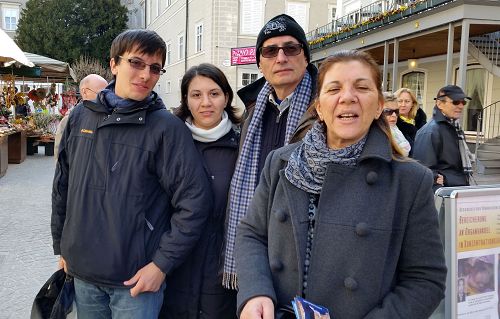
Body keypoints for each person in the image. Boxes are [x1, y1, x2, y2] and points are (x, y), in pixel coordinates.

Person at [235, 50, 447, 319]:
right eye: (334, 88)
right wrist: (255, 292)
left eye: (361, 87)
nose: (347, 97)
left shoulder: (410, 181)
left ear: (379, 105)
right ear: (320, 108)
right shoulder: (281, 162)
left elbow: (425, 279)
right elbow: (251, 233)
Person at [51, 29, 212, 319]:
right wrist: (62, 246)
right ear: (113, 64)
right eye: (136, 63)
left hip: (135, 284)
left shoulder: (166, 128)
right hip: (84, 275)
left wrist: (161, 265)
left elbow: (195, 202)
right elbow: (62, 186)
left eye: (154, 68)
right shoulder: (80, 116)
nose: (146, 75)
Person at [223, 13, 318, 290]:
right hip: (256, 239)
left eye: (291, 48)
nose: (281, 57)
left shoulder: (328, 107)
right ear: (260, 63)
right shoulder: (252, 111)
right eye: (270, 50)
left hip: (304, 246)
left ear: (305, 56)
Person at [159, 63, 240, 318]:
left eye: (214, 93)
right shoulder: (169, 142)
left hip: (221, 271)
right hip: (172, 266)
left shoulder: (243, 146)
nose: (206, 102)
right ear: (185, 99)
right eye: (196, 95)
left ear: (226, 97)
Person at [413, 85, 473, 191]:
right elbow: (425, 172)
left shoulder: (456, 129)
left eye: (463, 102)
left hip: (458, 191)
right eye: (455, 102)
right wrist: (443, 181)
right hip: (443, 196)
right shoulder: (430, 131)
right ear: (440, 104)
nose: (461, 106)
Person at [54, 74, 108, 159]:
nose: (105, 97)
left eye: (107, 93)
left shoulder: (109, 117)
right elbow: (60, 154)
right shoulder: (70, 119)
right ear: (85, 92)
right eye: (100, 93)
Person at [394, 87, 426, 154]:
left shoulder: (420, 120)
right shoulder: (392, 123)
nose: (403, 105)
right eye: (400, 101)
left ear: (412, 104)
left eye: (407, 101)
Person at [383, 92, 411, 156]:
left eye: (396, 111)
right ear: (377, 111)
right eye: (387, 111)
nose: (394, 115)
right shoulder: (373, 135)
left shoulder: (401, 130)